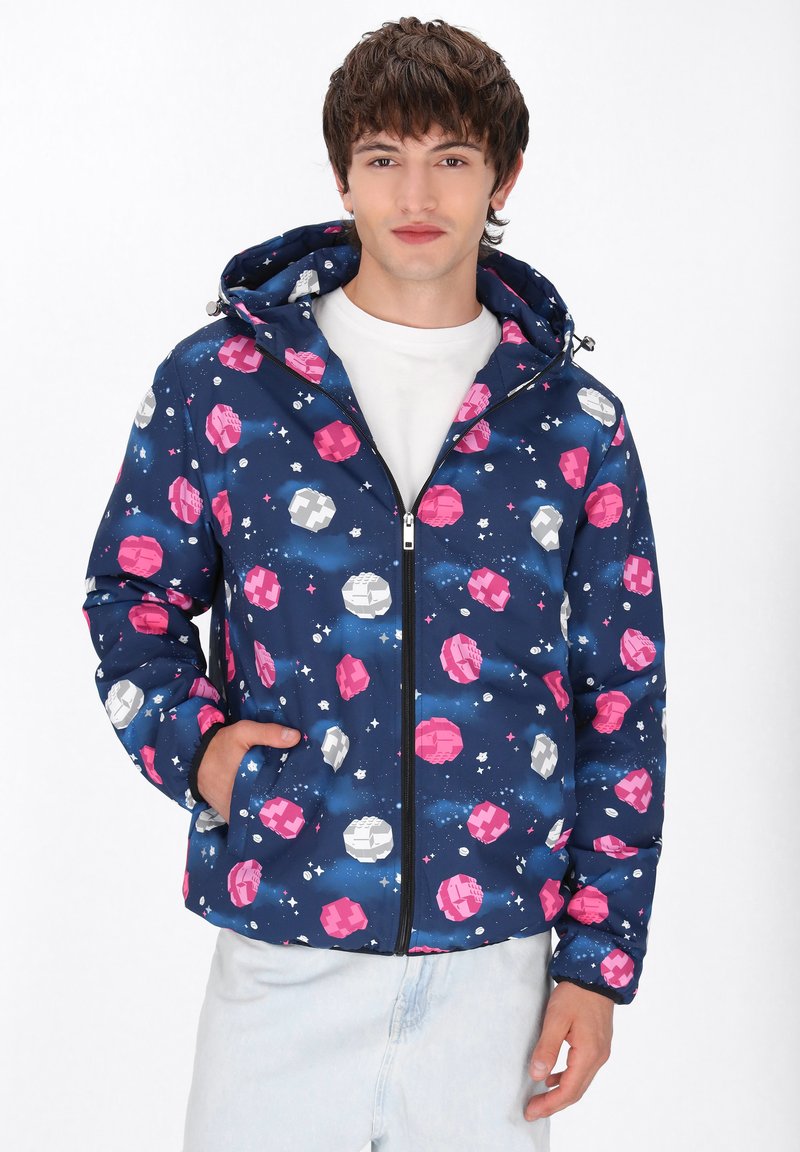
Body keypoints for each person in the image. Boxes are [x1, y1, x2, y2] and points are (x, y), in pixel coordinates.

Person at [82, 16, 667, 1152]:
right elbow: (131, 597)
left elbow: (621, 702)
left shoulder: (572, 423)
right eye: (384, 156)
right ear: (341, 174)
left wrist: (595, 963)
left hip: (494, 971)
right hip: (282, 950)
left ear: (502, 178)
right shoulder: (224, 385)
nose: (417, 192)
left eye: (452, 157)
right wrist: (198, 750)